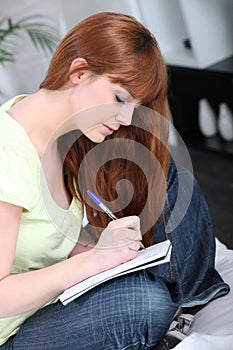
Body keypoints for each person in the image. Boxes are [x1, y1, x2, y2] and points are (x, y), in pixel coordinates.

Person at [0, 12, 229, 350]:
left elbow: (42, 251)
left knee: (164, 176)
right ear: (78, 72)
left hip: (47, 305)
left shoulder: (63, 136)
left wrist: (95, 245)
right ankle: (169, 314)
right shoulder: (8, 152)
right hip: (11, 333)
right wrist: (89, 262)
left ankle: (190, 302)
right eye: (120, 98)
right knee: (144, 303)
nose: (124, 119)